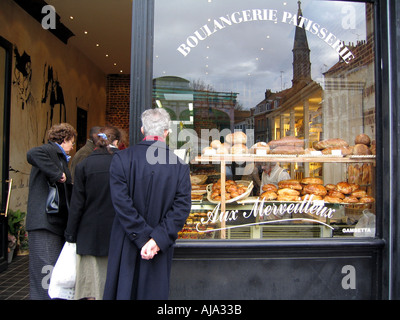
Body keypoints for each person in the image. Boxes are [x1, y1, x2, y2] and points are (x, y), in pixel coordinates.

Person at [103, 108, 191, 300]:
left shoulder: (121, 158)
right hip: (157, 247)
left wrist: (143, 237)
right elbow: (181, 208)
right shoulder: (179, 165)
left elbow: (121, 204)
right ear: (166, 132)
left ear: (142, 130)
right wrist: (155, 240)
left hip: (127, 240)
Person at [65, 126, 121, 300]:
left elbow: (77, 204)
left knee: (91, 288)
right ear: (115, 142)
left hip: (89, 234)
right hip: (116, 233)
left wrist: (70, 234)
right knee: (114, 284)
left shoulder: (83, 165)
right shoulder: (122, 164)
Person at [26, 123, 77, 300]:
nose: (72, 146)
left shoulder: (61, 157)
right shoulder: (49, 150)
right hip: (44, 223)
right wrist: (58, 174)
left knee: (51, 271)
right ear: (64, 140)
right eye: (71, 142)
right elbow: (32, 153)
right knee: (45, 272)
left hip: (53, 223)